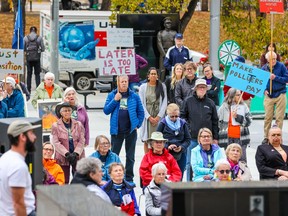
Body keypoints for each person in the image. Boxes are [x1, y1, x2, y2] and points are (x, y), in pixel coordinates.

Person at [103, 75, 144, 183]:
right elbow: (106, 110)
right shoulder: (112, 95)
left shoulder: (134, 96)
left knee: (130, 156)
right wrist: (115, 100)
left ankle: (129, 177)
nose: (124, 83)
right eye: (122, 82)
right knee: (113, 155)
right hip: (117, 131)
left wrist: (137, 124)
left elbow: (141, 112)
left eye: (126, 81)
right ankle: (111, 176)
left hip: (130, 131)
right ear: (118, 83)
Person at [180, 78, 219, 181]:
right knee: (190, 163)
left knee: (208, 163)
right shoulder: (188, 101)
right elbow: (182, 117)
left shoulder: (210, 103)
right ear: (195, 89)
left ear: (206, 89)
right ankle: (189, 184)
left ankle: (206, 182)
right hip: (192, 138)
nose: (201, 89)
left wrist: (215, 137)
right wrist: (188, 129)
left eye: (203, 87)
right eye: (199, 87)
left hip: (207, 139)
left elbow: (215, 121)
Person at [0, 120, 40, 216]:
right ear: (22, 137)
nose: (35, 137)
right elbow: (18, 203)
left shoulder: (5, 158)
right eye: (31, 133)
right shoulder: (17, 165)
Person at [52, 102, 85, 183]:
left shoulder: (78, 124)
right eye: (65, 111)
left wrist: (76, 153)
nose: (67, 112)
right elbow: (56, 142)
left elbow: (82, 140)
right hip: (62, 157)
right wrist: (66, 154)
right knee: (64, 180)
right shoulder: (55, 125)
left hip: (77, 156)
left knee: (79, 180)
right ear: (61, 113)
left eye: (69, 110)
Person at [218, 88, 252, 162]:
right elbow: (217, 122)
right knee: (229, 161)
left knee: (242, 161)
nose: (240, 96)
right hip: (228, 138)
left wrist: (238, 117)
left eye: (240, 94)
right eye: (238, 95)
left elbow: (249, 121)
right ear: (231, 96)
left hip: (241, 138)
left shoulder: (244, 106)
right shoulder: (224, 107)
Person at [261, 51, 288, 145]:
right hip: (269, 95)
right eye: (271, 59)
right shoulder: (264, 68)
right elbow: (260, 82)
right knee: (268, 117)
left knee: (279, 117)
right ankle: (266, 136)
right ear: (267, 60)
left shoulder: (281, 66)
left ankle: (278, 136)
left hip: (280, 93)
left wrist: (275, 77)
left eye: (274, 59)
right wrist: (264, 90)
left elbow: (286, 79)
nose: (273, 61)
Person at [157, 103, 191, 175]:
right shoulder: (162, 123)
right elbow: (157, 139)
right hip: (166, 154)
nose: (174, 119)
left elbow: (188, 139)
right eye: (172, 116)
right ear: (167, 114)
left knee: (179, 175)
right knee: (168, 176)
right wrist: (167, 146)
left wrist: (182, 147)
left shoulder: (183, 123)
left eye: (176, 116)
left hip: (181, 153)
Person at [139, 67, 167, 153]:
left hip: (158, 115)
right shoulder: (143, 87)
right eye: (152, 74)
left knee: (158, 139)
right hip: (147, 117)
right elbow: (141, 103)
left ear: (157, 76)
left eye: (155, 74)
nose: (153, 75)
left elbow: (164, 102)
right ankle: (147, 159)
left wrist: (159, 116)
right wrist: (148, 117)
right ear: (148, 76)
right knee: (147, 139)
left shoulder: (162, 86)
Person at [24, 26, 45, 93]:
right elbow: (43, 49)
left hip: (28, 59)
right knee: (37, 74)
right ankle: (38, 89)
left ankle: (28, 89)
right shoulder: (39, 38)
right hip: (37, 59)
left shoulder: (26, 38)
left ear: (30, 31)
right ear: (36, 31)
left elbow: (23, 48)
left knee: (29, 74)